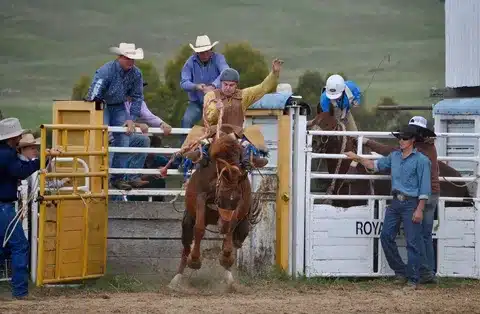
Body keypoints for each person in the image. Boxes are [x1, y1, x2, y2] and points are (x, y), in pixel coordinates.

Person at [345, 124, 431, 289]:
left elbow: (424, 188)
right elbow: (374, 165)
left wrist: (419, 209)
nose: (401, 140)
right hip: (396, 202)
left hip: (411, 203)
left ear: (413, 140)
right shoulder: (395, 157)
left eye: (404, 138)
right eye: (399, 137)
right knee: (386, 236)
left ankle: (412, 279)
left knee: (412, 242)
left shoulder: (422, 161)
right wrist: (356, 157)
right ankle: (401, 271)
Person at [179, 58, 284, 172]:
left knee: (251, 139)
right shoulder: (210, 95)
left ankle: (250, 159)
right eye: (225, 84)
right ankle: (195, 159)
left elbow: (262, 88)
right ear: (221, 83)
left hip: (236, 133)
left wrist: (274, 73)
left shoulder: (243, 95)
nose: (228, 88)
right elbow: (209, 118)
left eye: (231, 85)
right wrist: (217, 110)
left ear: (236, 85)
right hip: (214, 132)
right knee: (199, 142)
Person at [85, 42, 145, 190]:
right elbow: (94, 94)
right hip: (101, 104)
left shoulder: (136, 74)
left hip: (118, 105)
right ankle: (96, 175)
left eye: (132, 59)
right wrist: (96, 110)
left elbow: (137, 97)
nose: (130, 62)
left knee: (124, 138)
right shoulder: (106, 71)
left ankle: (117, 178)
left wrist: (131, 119)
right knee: (100, 136)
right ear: (119, 57)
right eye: (127, 58)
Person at [0, 118, 41, 299]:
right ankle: (20, 292)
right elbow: (21, 171)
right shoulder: (8, 155)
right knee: (20, 246)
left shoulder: (5, 153)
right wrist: (40, 162)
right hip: (3, 207)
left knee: (3, 248)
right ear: (13, 137)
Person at [121, 82, 173, 188]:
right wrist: (139, 124)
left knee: (143, 140)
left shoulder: (139, 102)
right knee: (142, 141)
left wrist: (162, 123)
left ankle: (133, 177)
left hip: (127, 136)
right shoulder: (118, 101)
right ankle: (129, 178)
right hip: (114, 136)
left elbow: (148, 116)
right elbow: (119, 121)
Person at [180, 35, 229, 137]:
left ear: (211, 49)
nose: (206, 54)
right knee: (186, 121)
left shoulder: (219, 58)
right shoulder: (190, 63)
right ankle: (184, 149)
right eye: (202, 52)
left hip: (216, 100)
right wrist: (196, 86)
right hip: (197, 102)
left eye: (208, 51)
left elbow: (226, 72)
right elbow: (183, 82)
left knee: (222, 123)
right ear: (197, 52)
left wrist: (213, 86)